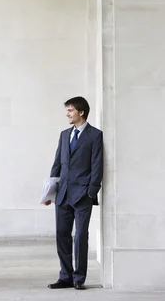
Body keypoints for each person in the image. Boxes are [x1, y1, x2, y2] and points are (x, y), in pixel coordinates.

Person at [46, 96, 103, 291]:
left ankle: (79, 278)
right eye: (67, 111)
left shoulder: (95, 135)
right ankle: (65, 276)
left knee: (80, 236)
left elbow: (97, 165)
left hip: (82, 195)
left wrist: (91, 191)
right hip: (62, 194)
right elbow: (57, 165)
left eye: (70, 111)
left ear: (81, 112)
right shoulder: (64, 135)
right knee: (62, 235)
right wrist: (49, 193)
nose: (67, 114)